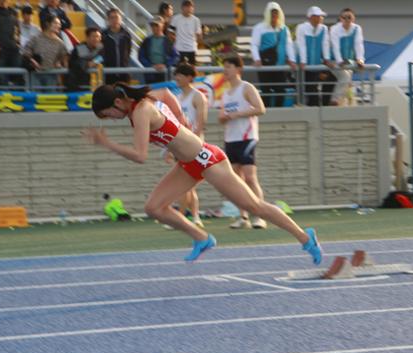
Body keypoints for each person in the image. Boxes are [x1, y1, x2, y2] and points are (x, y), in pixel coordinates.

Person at [84, 82, 322, 264]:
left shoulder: (141, 111)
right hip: (187, 164)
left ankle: (305, 237)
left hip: (208, 160)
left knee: (254, 206)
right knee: (154, 208)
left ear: (117, 103)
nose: (112, 120)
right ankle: (201, 237)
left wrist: (106, 144)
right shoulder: (143, 101)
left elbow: (140, 156)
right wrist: (180, 121)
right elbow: (167, 92)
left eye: (108, 115)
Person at [219, 55, 268, 230]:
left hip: (247, 138)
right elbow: (223, 117)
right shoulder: (225, 93)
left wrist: (236, 114)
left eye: (229, 66)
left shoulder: (247, 88)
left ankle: (260, 216)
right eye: (224, 66)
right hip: (230, 139)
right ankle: (243, 216)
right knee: (236, 180)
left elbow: (260, 109)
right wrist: (224, 118)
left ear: (238, 69)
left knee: (250, 177)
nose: (225, 70)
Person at [170, 62, 206, 228]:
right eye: (176, 74)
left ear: (190, 77)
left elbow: (200, 122)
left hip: (193, 145)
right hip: (179, 143)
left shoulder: (198, 96)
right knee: (188, 183)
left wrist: (195, 142)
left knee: (187, 182)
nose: (177, 78)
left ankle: (181, 217)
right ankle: (196, 216)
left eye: (180, 75)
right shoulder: (176, 98)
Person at [250, 2, 296, 108]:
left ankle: (279, 112)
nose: (274, 16)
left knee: (281, 90)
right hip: (265, 66)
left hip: (280, 66)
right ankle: (265, 112)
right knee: (266, 91)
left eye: (276, 13)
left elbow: (289, 45)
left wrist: (291, 60)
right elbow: (254, 45)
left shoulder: (284, 29)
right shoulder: (259, 28)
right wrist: (257, 59)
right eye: (272, 13)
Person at [295, 6, 335, 106]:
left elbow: (325, 44)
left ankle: (324, 105)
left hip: (317, 64)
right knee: (310, 90)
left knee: (330, 80)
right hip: (305, 66)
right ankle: (311, 108)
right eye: (317, 16)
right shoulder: (301, 28)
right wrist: (303, 61)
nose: (320, 18)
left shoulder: (323, 28)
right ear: (311, 17)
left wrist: (327, 59)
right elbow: (301, 45)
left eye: (321, 16)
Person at [330, 8, 365, 106]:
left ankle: (347, 103)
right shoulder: (335, 29)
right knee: (345, 77)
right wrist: (339, 61)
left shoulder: (357, 28)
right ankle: (335, 100)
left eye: (349, 17)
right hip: (334, 61)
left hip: (348, 61)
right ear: (340, 19)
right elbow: (335, 47)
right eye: (343, 17)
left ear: (353, 19)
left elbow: (359, 45)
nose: (346, 19)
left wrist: (360, 59)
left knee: (348, 81)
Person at [23, 15, 68, 90]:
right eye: (56, 23)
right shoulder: (36, 38)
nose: (58, 26)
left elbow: (64, 58)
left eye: (59, 24)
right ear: (47, 24)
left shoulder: (60, 43)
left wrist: (59, 63)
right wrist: (32, 60)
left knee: (49, 99)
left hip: (51, 74)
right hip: (35, 74)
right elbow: (26, 50)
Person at [138, 16, 178, 84]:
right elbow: (141, 56)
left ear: (163, 26)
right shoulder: (146, 41)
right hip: (150, 73)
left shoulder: (168, 41)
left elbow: (175, 57)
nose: (154, 28)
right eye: (152, 25)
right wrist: (151, 66)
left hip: (165, 73)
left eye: (156, 25)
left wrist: (165, 65)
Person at [0, 0, 21, 72]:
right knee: (1, 74)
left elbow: (17, 29)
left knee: (17, 74)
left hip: (13, 48)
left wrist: (17, 43)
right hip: (0, 49)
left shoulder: (14, 12)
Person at [66, 27, 103, 92]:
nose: (96, 39)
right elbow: (73, 63)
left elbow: (103, 57)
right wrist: (87, 64)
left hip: (87, 81)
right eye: (94, 36)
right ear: (87, 37)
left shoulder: (100, 47)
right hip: (75, 81)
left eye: (98, 37)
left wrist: (95, 61)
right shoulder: (79, 48)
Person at [101, 8, 132, 85]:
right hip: (109, 73)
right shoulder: (103, 35)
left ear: (120, 19)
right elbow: (101, 52)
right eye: (112, 17)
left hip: (124, 72)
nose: (115, 20)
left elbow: (128, 51)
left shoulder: (126, 35)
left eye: (117, 17)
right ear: (108, 19)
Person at [170, 0, 202, 65]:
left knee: (191, 69)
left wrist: (195, 43)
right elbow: (170, 32)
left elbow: (199, 35)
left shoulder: (196, 20)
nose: (188, 8)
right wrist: (175, 40)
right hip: (179, 48)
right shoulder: (176, 18)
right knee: (179, 68)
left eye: (190, 6)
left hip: (192, 49)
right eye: (186, 6)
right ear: (182, 8)